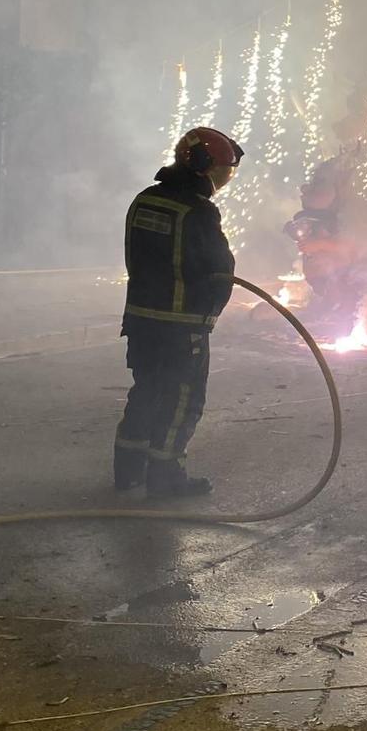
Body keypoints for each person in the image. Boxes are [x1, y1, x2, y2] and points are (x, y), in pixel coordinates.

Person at [114, 126, 242, 498]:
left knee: (146, 390)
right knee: (182, 400)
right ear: (202, 165)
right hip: (182, 325)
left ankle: (128, 469)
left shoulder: (144, 200)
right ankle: (165, 475)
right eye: (221, 169)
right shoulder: (199, 212)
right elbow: (220, 270)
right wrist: (209, 315)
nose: (223, 178)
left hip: (140, 320)